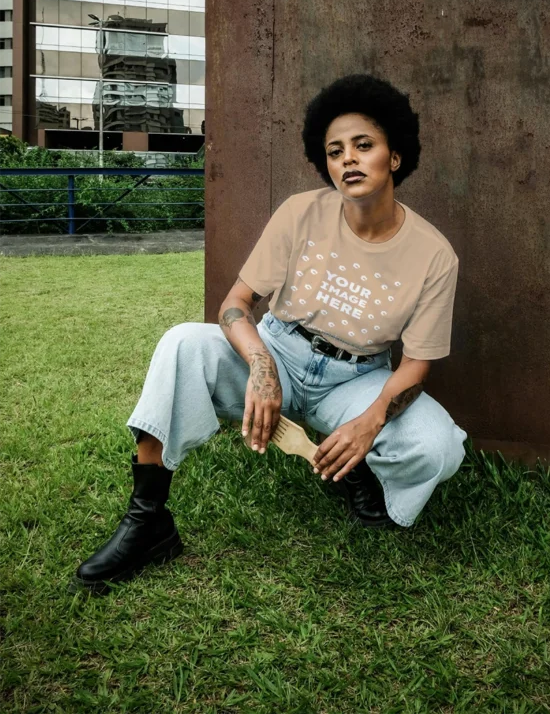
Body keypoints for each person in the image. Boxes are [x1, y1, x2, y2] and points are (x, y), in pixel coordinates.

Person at [72, 73, 468, 592]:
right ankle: (149, 522)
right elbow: (236, 304)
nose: (347, 159)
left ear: (394, 157)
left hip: (356, 379)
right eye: (334, 151)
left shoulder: (434, 255)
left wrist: (370, 422)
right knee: (181, 343)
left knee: (439, 445)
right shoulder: (301, 213)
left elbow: (417, 362)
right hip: (278, 347)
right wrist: (260, 365)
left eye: (363, 146)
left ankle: (360, 477)